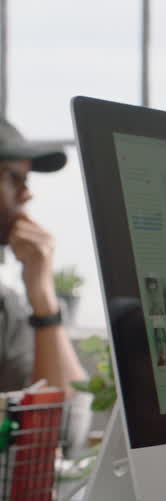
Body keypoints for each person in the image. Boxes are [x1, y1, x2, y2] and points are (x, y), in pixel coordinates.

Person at [0, 118, 86, 391]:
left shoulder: (6, 311)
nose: (27, 195)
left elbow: (64, 421)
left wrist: (44, 301)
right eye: (14, 178)